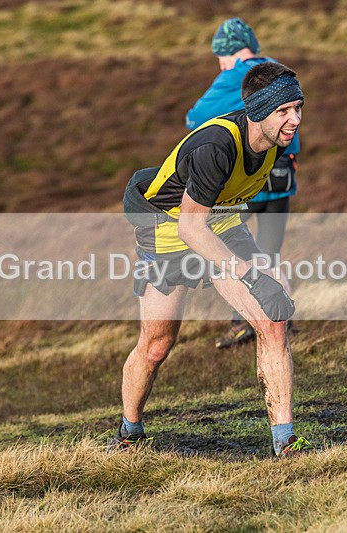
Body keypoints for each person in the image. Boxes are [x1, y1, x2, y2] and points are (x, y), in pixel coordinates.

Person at [117, 62, 312, 457]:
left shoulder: (275, 141)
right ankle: (128, 433)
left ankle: (286, 441)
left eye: (298, 108)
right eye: (284, 111)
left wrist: (265, 272)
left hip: (221, 224)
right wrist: (252, 276)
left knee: (273, 322)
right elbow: (191, 229)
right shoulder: (215, 147)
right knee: (156, 345)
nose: (295, 119)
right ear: (258, 111)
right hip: (168, 230)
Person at [187, 17, 300, 349]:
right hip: (282, 180)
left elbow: (194, 118)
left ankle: (242, 324)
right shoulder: (276, 72)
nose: (220, 64)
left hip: (248, 181)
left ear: (230, 52)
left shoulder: (232, 76)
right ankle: (283, 325)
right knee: (270, 255)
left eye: (220, 57)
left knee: (229, 251)